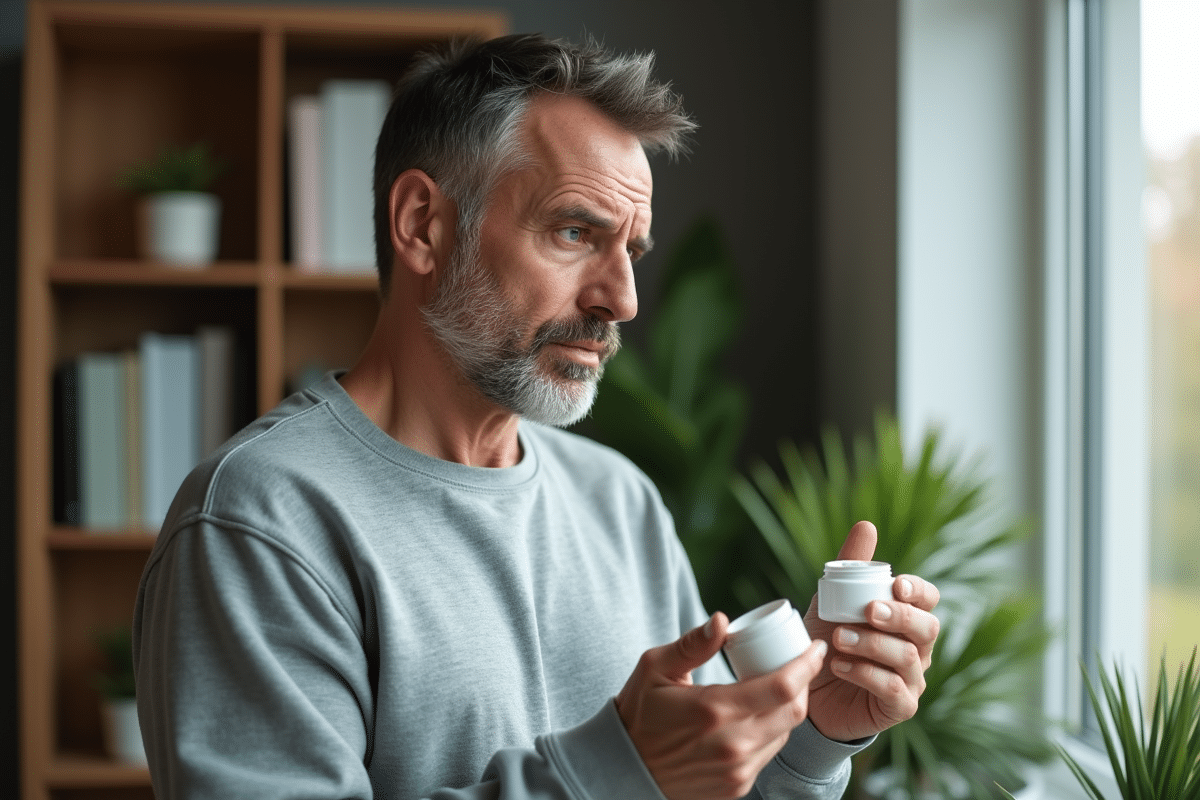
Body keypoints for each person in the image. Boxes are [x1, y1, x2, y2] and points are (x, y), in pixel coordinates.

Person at [133, 33, 940, 800]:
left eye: (632, 250)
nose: (620, 299)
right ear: (423, 224)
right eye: (574, 231)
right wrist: (611, 769)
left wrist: (814, 738)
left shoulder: (620, 503)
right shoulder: (261, 521)